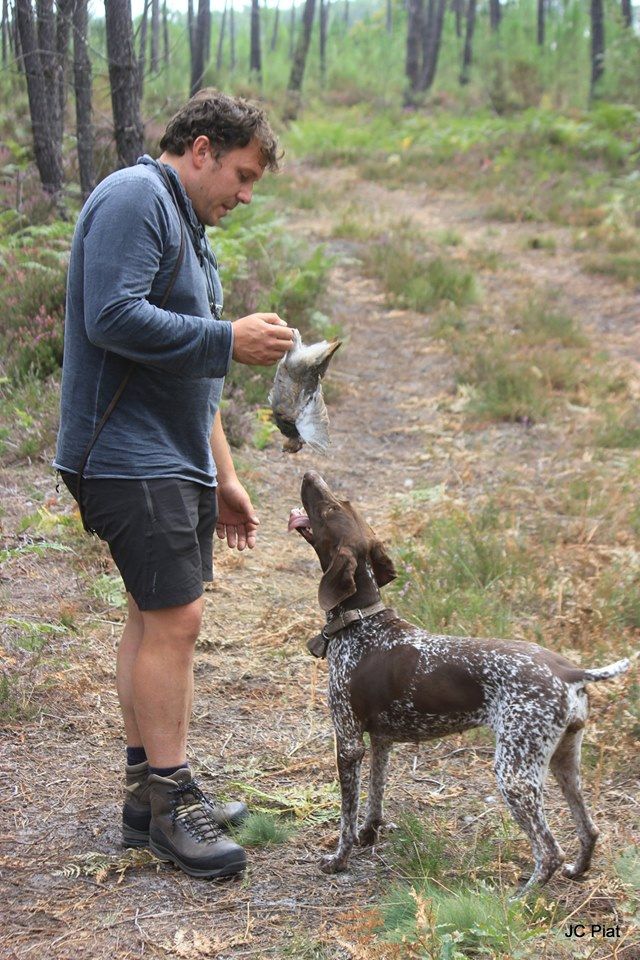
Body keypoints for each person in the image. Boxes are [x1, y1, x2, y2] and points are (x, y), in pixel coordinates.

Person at [54, 90, 294, 880]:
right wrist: (228, 336)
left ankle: (145, 796)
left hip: (169, 452)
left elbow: (190, 367)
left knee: (152, 616)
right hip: (123, 451)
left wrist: (223, 472)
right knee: (177, 620)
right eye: (243, 173)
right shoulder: (135, 197)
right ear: (201, 148)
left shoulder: (185, 222)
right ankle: (170, 802)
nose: (246, 194)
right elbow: (111, 318)